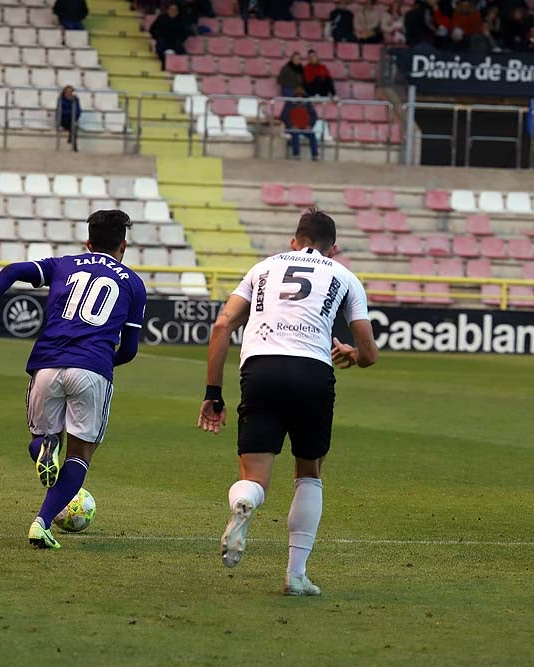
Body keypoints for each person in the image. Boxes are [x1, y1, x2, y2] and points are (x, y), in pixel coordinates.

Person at [198, 208, 377, 596]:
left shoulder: (262, 268)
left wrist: (214, 393)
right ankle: (296, 575)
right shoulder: (344, 276)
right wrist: (351, 353)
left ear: (294, 241)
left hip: (261, 369)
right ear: (334, 249)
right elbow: (369, 351)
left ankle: (245, 502)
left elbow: (221, 326)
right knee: (309, 473)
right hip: (313, 372)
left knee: (253, 477)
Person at [0, 210, 147, 550]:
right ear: (123, 245)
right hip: (92, 368)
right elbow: (131, 349)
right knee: (80, 454)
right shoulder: (133, 283)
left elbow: (12, 271)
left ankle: (46, 449)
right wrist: (103, 362)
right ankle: (41, 523)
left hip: (47, 364)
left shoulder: (64, 264)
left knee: (41, 437)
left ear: (87, 242)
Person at [149, 2, 191, 69]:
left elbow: (186, 33)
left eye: (175, 10)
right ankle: (164, 65)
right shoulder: (161, 18)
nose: (173, 11)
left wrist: (180, 40)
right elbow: (152, 30)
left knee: (182, 52)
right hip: (163, 40)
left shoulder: (181, 20)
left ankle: (179, 68)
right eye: (171, 9)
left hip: (175, 41)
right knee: (159, 49)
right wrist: (157, 37)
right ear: (167, 10)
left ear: (178, 11)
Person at [280, 89, 319, 160]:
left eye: (301, 96)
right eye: (298, 95)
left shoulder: (307, 103)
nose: (299, 97)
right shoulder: (289, 103)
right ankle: (296, 154)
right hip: (292, 127)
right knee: (295, 134)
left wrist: (310, 126)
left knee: (312, 135)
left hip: (305, 127)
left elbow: (314, 116)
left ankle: (315, 155)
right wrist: (291, 125)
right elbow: (284, 116)